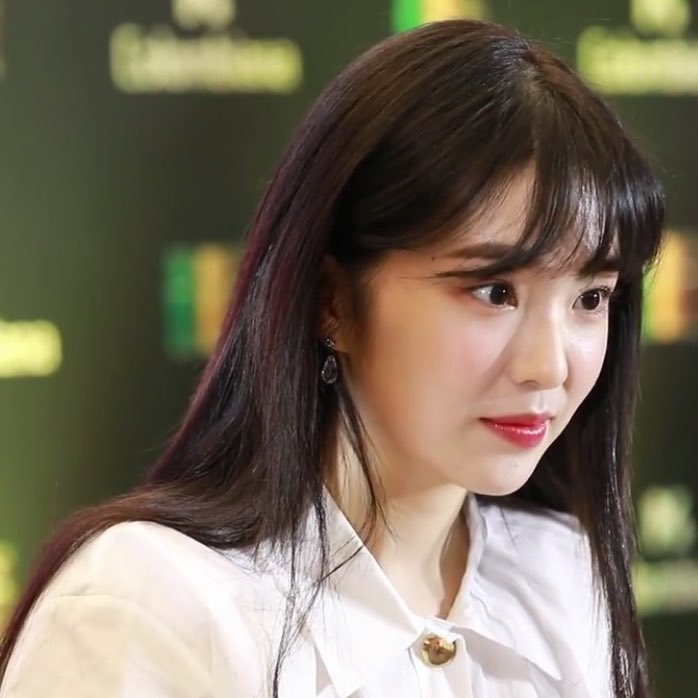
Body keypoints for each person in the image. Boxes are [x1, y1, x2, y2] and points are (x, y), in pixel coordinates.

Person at [0, 18, 664, 698]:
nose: (549, 366)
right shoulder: (152, 605)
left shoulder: (562, 575)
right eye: (495, 292)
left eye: (591, 298)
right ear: (331, 300)